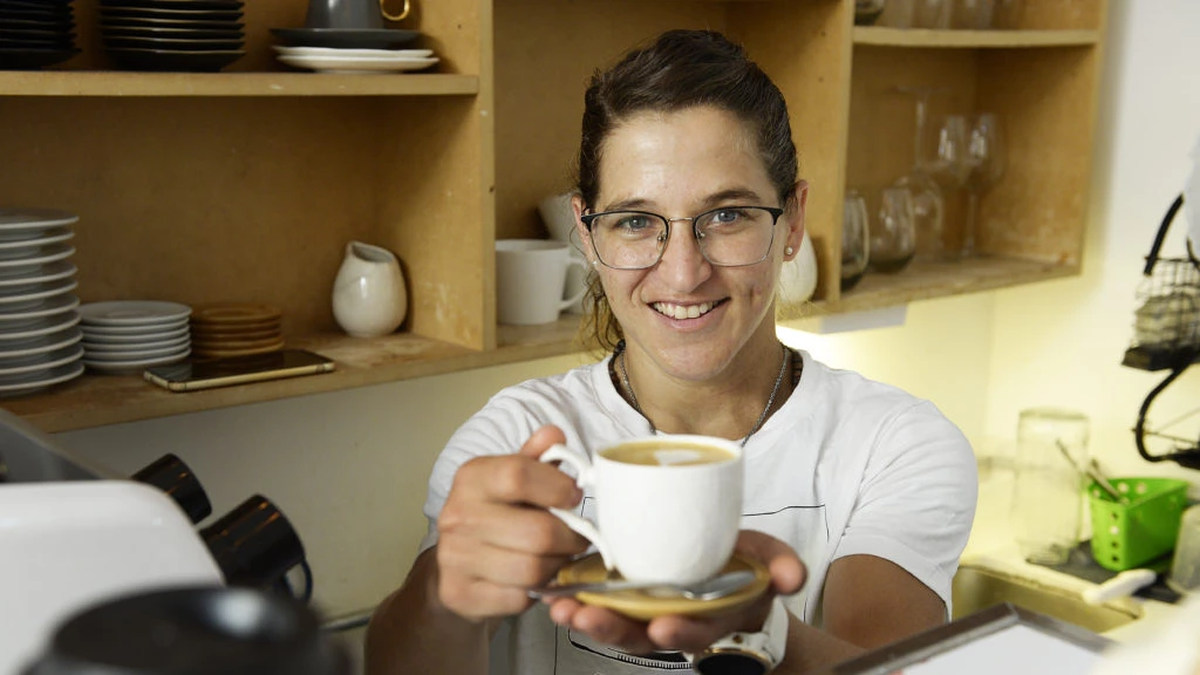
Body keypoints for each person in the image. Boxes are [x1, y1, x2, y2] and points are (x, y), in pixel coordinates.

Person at [365, 28, 977, 675]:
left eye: (727, 215)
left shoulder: (894, 444)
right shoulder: (518, 439)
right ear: (587, 235)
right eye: (635, 221)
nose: (683, 273)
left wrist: (761, 630)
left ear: (792, 222)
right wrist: (442, 597)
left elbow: (890, 666)